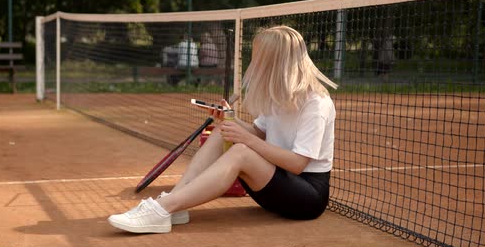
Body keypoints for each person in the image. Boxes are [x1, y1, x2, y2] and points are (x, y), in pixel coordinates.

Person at [108, 25, 338, 233]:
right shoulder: (279, 95)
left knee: (241, 151)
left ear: (276, 62)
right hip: (275, 185)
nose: (254, 63)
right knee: (224, 129)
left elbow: (298, 164)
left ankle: (161, 209)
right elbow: (259, 133)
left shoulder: (316, 103)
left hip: (306, 198)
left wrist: (246, 141)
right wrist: (231, 119)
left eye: (259, 58)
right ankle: (175, 203)